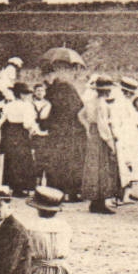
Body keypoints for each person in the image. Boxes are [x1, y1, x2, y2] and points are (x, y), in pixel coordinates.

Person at [37, 62, 86, 199]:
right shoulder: (53, 89)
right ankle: (58, 192)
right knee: (57, 162)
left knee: (67, 162)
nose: (45, 79)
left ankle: (70, 192)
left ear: (53, 74)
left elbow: (75, 107)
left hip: (67, 131)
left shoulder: (63, 88)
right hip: (58, 131)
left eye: (47, 75)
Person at [79, 76, 121, 214]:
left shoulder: (90, 101)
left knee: (93, 167)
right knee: (103, 167)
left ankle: (94, 202)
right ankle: (100, 202)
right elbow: (103, 125)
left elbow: (80, 115)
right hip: (101, 135)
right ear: (106, 90)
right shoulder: (102, 104)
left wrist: (88, 128)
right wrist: (110, 143)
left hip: (93, 132)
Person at [0, 84, 39, 195]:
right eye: (26, 94)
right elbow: (27, 123)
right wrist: (33, 130)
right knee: (23, 158)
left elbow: (2, 120)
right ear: (21, 94)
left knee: (12, 159)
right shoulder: (27, 106)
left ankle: (14, 186)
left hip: (10, 132)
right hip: (21, 132)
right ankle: (21, 187)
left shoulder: (8, 105)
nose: (28, 96)